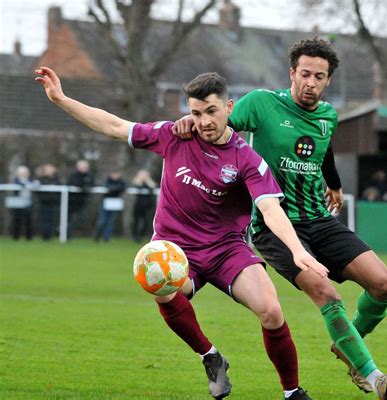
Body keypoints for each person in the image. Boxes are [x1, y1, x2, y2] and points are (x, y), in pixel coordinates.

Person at [36, 66, 330, 400]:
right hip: (175, 248)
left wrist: (298, 250)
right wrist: (60, 99)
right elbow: (116, 126)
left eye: (211, 111)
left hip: (225, 249)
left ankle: (292, 392)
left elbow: (270, 208)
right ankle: (210, 356)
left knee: (271, 310)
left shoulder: (247, 159)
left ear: (229, 108)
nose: (204, 121)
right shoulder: (174, 136)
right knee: (159, 283)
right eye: (196, 112)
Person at [174, 37, 387, 399]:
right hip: (274, 225)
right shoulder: (262, 104)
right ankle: (373, 376)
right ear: (292, 73)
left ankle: (348, 345)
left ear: (328, 81)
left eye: (319, 76)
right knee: (327, 294)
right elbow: (216, 123)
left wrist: (335, 184)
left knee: (384, 284)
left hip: (319, 218)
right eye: (305, 74)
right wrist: (192, 119)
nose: (311, 82)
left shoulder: (328, 115)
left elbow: (322, 149)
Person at [94, 170, 127, 242]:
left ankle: (106, 238)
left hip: (114, 203)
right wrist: (116, 189)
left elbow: (124, 187)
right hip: (105, 202)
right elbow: (108, 187)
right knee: (102, 221)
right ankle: (97, 236)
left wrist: (114, 189)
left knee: (110, 221)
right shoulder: (107, 180)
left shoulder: (121, 181)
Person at [67, 159, 95, 238]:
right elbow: (73, 183)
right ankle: (66, 235)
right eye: (82, 167)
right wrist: (83, 186)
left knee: (82, 219)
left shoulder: (89, 175)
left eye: (85, 167)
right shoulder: (73, 175)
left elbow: (92, 184)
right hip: (72, 201)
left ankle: (86, 235)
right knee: (69, 219)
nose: (84, 168)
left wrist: (86, 187)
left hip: (83, 201)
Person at [9, 165, 34, 240]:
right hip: (18, 203)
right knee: (17, 220)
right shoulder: (16, 180)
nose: (23, 174)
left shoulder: (30, 180)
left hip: (27, 202)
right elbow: (15, 188)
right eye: (22, 173)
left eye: (25, 173)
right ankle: (16, 236)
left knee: (28, 220)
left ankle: (28, 237)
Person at [36, 163, 61, 240]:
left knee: (52, 220)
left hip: (54, 203)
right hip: (44, 203)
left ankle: (50, 235)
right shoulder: (41, 180)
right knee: (45, 220)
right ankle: (45, 236)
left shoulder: (56, 179)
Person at [131, 169, 156, 243]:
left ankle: (141, 235)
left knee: (145, 222)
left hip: (146, 206)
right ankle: (135, 236)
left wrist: (147, 180)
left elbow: (152, 188)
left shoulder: (149, 183)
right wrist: (140, 180)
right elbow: (137, 187)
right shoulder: (137, 183)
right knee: (136, 221)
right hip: (138, 206)